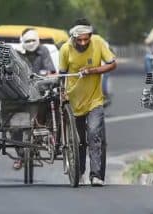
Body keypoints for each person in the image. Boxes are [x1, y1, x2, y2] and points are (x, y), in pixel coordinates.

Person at [59, 18, 117, 186]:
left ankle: (96, 175)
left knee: (94, 134)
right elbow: (61, 76)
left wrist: (92, 71)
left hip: (94, 100)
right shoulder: (65, 49)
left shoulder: (98, 42)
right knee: (78, 140)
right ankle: (79, 172)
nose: (83, 42)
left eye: (87, 38)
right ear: (73, 37)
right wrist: (62, 94)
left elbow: (112, 64)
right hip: (74, 103)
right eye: (80, 39)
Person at [12, 28, 56, 170]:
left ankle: (53, 137)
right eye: (27, 41)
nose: (31, 43)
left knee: (56, 103)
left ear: (38, 41)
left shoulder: (43, 51)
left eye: (33, 40)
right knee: (15, 123)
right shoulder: (17, 53)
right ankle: (20, 155)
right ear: (22, 42)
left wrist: (48, 76)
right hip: (22, 93)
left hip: (41, 91)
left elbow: (51, 70)